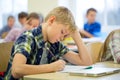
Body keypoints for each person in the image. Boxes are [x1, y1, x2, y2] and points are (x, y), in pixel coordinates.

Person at [4, 6, 92, 80]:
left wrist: (76, 35)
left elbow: (86, 62)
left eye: (65, 36)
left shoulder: (55, 43)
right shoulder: (28, 38)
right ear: (51, 20)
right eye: (62, 32)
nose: (62, 38)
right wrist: (51, 67)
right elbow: (16, 70)